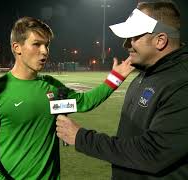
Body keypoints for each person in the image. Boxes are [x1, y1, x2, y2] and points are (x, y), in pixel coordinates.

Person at [0, 16, 134, 179]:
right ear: (17, 47)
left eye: (46, 45)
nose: (44, 51)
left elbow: (84, 102)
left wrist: (116, 78)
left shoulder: (53, 89)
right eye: (36, 44)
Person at [56, 1, 188, 179]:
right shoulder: (145, 75)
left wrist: (81, 138)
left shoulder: (181, 82)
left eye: (134, 37)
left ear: (160, 40)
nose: (126, 44)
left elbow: (153, 153)